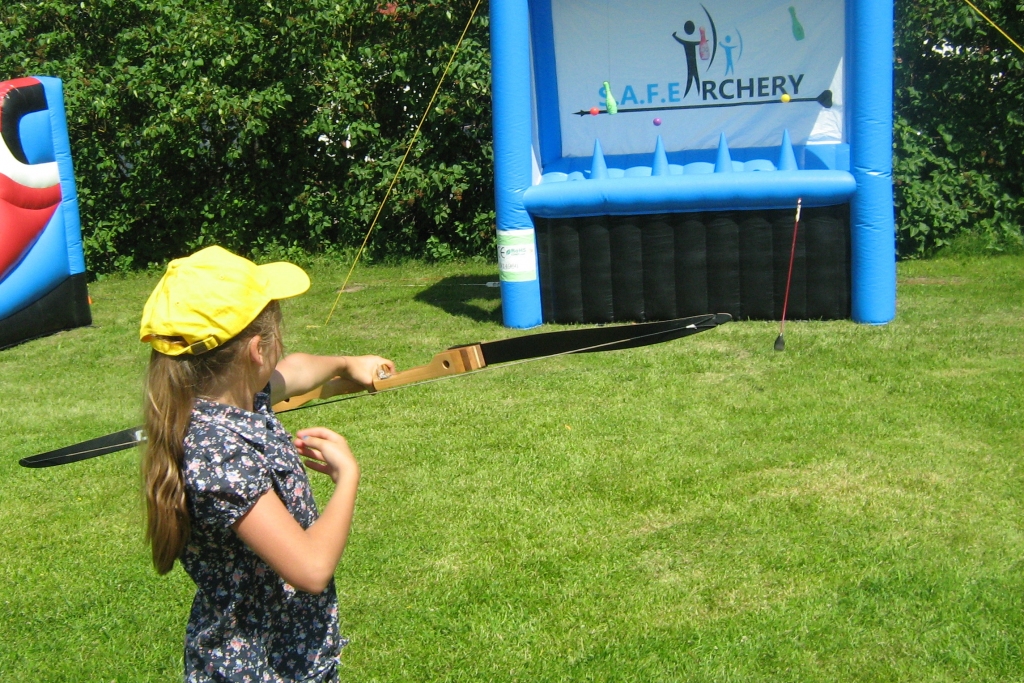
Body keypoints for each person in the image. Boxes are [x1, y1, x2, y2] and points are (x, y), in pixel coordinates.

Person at [139, 245, 395, 682]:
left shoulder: (237, 398)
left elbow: (295, 370)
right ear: (258, 350)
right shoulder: (220, 455)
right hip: (256, 666)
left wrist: (348, 363)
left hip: (288, 647)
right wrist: (347, 476)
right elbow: (310, 569)